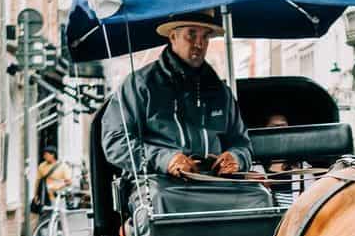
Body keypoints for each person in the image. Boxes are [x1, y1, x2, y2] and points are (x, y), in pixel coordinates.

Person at [101, 9, 254, 177]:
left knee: (260, 193)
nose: (199, 44)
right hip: (159, 182)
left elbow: (242, 144)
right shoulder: (139, 84)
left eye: (205, 37)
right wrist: (166, 160)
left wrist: (236, 158)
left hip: (217, 182)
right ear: (173, 37)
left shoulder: (222, 92)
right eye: (191, 34)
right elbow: (115, 142)